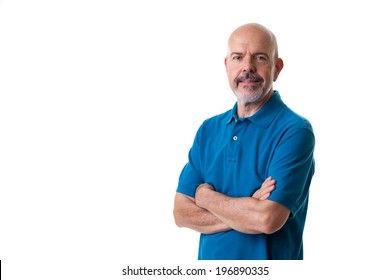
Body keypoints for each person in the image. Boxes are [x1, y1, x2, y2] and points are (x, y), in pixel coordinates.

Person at [173, 23, 315, 260]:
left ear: (277, 68)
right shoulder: (208, 130)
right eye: (238, 57)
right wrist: (248, 206)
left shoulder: (294, 131)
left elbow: (266, 219)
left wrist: (206, 198)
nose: (247, 67)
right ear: (227, 66)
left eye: (260, 58)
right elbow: (181, 213)